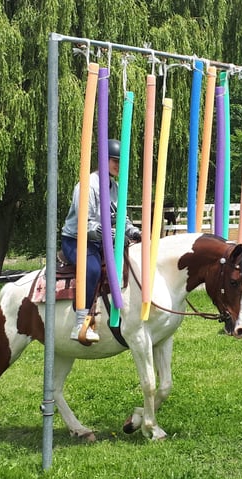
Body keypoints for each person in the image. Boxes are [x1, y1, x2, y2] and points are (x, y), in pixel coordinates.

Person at [60, 139, 142, 343]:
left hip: (102, 240)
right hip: (77, 240)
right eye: (114, 160)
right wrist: (111, 234)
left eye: (120, 161)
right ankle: (80, 321)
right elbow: (84, 224)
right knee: (93, 270)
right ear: (103, 160)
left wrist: (133, 231)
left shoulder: (114, 186)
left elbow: (121, 216)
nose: (117, 165)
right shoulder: (87, 185)